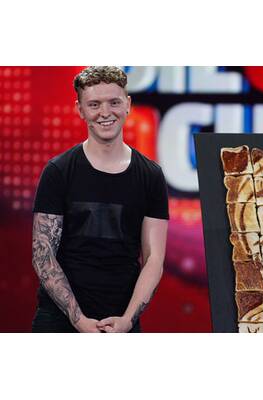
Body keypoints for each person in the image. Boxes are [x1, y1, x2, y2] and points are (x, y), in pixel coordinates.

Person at [31, 66, 169, 333]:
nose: (105, 113)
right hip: (59, 320)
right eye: (94, 104)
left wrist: (127, 320)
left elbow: (154, 259)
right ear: (80, 110)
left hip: (122, 321)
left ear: (127, 105)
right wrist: (79, 320)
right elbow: (43, 254)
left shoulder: (150, 176)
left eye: (114, 102)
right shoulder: (58, 171)